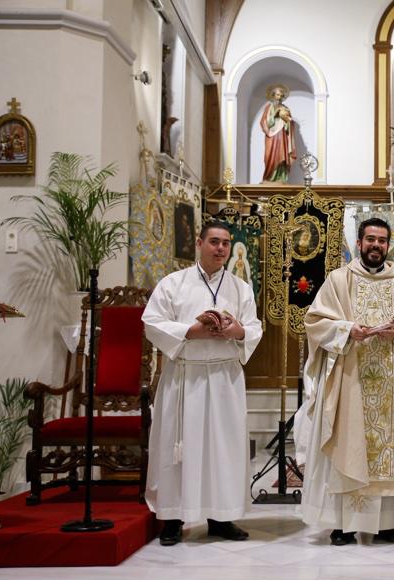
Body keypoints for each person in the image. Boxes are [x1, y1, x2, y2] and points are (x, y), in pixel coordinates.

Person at [299, 217, 394, 545]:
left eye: (382, 241)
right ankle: (342, 523)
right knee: (348, 444)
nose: (376, 245)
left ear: (389, 245)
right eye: (370, 239)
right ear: (359, 243)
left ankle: (386, 523)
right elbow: (314, 321)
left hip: (390, 381)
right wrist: (346, 330)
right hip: (350, 378)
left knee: (389, 450)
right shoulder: (338, 280)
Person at [142, 221, 263, 546]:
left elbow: (254, 328)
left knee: (222, 449)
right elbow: (151, 323)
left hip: (224, 378)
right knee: (177, 448)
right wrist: (190, 332)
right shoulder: (173, 283)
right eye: (214, 242)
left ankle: (221, 517)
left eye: (225, 243)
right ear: (200, 243)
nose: (220, 248)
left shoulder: (241, 287)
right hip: (185, 376)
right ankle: (172, 518)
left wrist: (236, 331)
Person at [260, 84, 296, 183]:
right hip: (271, 135)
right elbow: (263, 122)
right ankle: (269, 177)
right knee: (270, 156)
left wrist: (288, 121)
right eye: (277, 95)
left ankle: (281, 178)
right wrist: (275, 115)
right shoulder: (268, 107)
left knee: (282, 155)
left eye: (281, 95)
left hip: (282, 134)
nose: (279, 97)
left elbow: (290, 123)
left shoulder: (285, 108)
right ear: (273, 96)